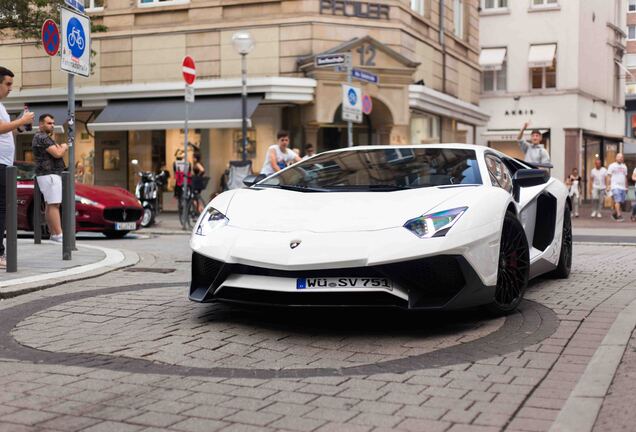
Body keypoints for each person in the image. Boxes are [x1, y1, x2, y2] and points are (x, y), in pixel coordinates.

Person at [0, 66, 34, 268]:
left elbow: (5, 132)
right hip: (0, 165)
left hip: (5, 164)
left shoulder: (2, 107)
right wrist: (20, 120)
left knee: (3, 209)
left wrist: (19, 127)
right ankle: (0, 253)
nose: (11, 88)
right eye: (8, 84)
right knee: (2, 209)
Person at [32, 114, 67, 243]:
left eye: (52, 123)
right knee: (54, 205)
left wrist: (60, 147)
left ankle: (54, 233)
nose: (52, 125)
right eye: (48, 123)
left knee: (50, 204)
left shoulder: (44, 137)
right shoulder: (42, 137)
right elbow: (58, 153)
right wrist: (64, 147)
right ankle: (58, 234)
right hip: (49, 174)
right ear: (41, 124)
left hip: (48, 174)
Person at [606, 153, 628, 222]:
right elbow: (608, 176)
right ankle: (619, 215)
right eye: (619, 157)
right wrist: (608, 186)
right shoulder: (612, 166)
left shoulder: (624, 166)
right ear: (616, 158)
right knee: (617, 200)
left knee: (621, 202)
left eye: (621, 157)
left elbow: (625, 177)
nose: (620, 158)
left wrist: (626, 187)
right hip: (615, 186)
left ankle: (614, 214)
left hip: (622, 187)